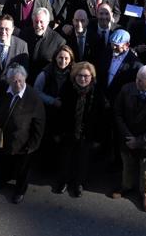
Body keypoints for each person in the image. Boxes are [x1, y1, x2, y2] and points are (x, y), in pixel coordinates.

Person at [112, 65, 146, 211]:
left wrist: (139, 141)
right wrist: (128, 136)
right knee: (127, 165)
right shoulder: (126, 90)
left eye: (141, 81)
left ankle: (145, 194)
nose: (137, 82)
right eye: (137, 78)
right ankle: (126, 186)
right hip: (127, 139)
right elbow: (117, 113)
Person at [0, 64, 46, 204]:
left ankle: (20, 190)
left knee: (22, 170)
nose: (17, 84)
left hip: (23, 143)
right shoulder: (4, 90)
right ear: (9, 80)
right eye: (14, 81)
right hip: (4, 139)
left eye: (20, 81)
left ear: (25, 79)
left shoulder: (33, 97)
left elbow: (39, 122)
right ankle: (4, 179)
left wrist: (33, 144)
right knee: (5, 162)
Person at [52, 60, 101, 197]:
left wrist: (98, 138)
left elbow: (101, 118)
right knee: (65, 158)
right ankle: (64, 182)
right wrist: (57, 132)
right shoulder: (67, 89)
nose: (83, 78)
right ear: (74, 76)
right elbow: (59, 113)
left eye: (86, 76)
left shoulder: (96, 93)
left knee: (82, 160)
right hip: (68, 132)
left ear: (92, 77)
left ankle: (79, 184)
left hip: (87, 134)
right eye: (80, 75)